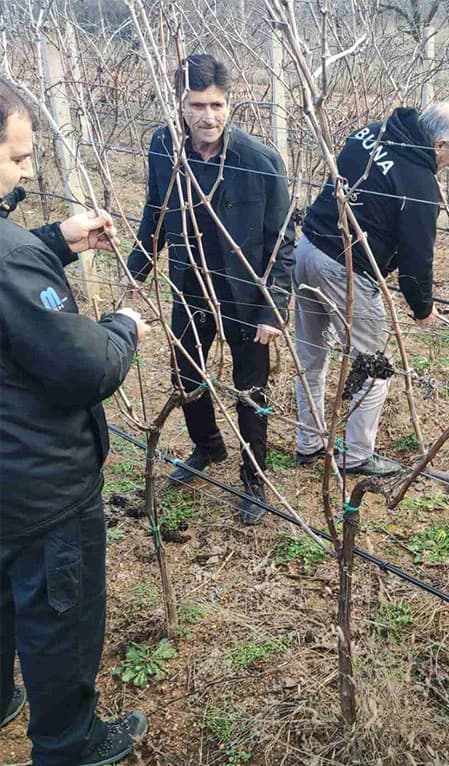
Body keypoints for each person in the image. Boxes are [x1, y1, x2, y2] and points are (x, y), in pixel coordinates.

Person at [0, 80, 151, 766]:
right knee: (60, 610)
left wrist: (49, 244)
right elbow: (83, 367)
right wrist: (122, 327)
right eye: (19, 157)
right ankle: (66, 744)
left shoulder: (12, 253)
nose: (27, 172)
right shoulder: (8, 260)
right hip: (39, 480)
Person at [126, 54, 295, 525]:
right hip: (189, 285)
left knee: (250, 388)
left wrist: (273, 309)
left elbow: (283, 241)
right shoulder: (164, 147)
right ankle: (207, 447)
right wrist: (136, 270)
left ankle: (254, 476)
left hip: (244, 294)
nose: (209, 116)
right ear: (180, 105)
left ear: (230, 103)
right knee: (186, 374)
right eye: (198, 105)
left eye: (217, 104)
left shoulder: (260, 161)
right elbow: (155, 212)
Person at [292, 102, 449, 475]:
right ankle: (358, 456)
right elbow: (416, 258)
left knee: (310, 354)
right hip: (346, 270)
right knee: (373, 366)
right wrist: (422, 308)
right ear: (439, 145)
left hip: (306, 250)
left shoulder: (373, 131)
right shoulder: (419, 185)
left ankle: (308, 441)